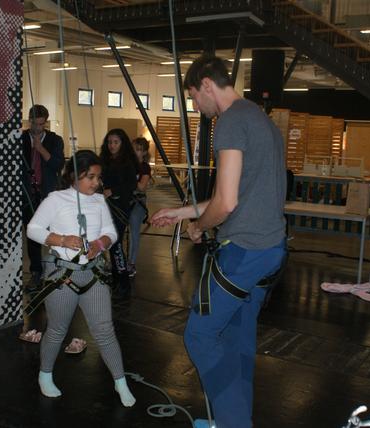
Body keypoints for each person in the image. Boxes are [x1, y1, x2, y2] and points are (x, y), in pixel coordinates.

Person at [150, 55, 287, 428]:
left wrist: (198, 227)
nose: (196, 106)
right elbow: (238, 194)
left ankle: (233, 424)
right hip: (270, 251)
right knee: (237, 337)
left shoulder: (229, 121)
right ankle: (235, 419)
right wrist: (181, 213)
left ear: (207, 84)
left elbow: (225, 204)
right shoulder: (260, 119)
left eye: (193, 96)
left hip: (244, 251)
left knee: (200, 335)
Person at [26, 150, 136, 407]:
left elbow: (110, 232)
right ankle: (45, 375)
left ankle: (121, 382)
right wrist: (62, 240)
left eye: (98, 177)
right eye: (90, 177)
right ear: (74, 176)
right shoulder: (56, 199)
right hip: (62, 276)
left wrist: (99, 244)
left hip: (93, 274)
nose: (96, 182)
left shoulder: (98, 200)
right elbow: (33, 229)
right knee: (57, 329)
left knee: (105, 330)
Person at [22, 104, 64, 289]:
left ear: (45, 122)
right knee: (32, 235)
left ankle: (58, 269)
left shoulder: (55, 140)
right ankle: (36, 272)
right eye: (34, 124)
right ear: (29, 121)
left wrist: (40, 149)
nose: (38, 128)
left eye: (41, 124)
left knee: (54, 233)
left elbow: (57, 165)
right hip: (27, 195)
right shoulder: (22, 139)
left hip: (47, 194)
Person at [99, 129, 138, 298]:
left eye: (115, 142)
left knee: (116, 244)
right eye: (109, 142)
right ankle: (117, 279)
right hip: (106, 208)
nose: (112, 145)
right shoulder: (104, 160)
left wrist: (112, 190)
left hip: (120, 208)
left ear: (122, 143)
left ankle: (123, 282)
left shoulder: (128, 162)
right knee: (110, 244)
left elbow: (131, 185)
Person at [127, 137, 152, 277]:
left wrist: (128, 177)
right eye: (133, 149)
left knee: (134, 233)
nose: (134, 152)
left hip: (137, 201)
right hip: (125, 200)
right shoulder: (125, 165)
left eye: (138, 150)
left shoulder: (144, 167)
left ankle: (131, 263)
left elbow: (142, 187)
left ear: (144, 152)